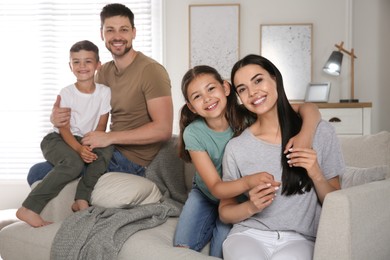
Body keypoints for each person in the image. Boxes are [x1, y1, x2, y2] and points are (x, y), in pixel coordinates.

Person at [173, 65, 322, 257]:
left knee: (221, 250)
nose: (207, 98)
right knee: (182, 247)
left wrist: (305, 135)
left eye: (211, 89)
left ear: (226, 88)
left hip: (236, 200)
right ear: (191, 107)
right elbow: (217, 188)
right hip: (206, 192)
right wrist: (250, 181)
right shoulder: (193, 132)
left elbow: (308, 108)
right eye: (197, 96)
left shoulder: (249, 115)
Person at [26, 3, 173, 185]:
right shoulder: (104, 72)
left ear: (133, 33)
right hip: (107, 149)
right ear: (102, 34)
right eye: (110, 30)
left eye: (124, 30)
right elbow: (84, 104)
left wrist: (109, 137)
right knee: (39, 169)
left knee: (38, 173)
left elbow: (163, 130)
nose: (117, 36)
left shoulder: (151, 71)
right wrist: (56, 117)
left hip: (130, 161)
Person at [219, 54, 345, 260]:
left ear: (275, 79)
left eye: (258, 80)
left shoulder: (320, 132)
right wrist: (251, 206)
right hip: (248, 235)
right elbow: (225, 211)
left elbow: (336, 203)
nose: (252, 92)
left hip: (301, 239)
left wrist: (316, 174)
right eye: (242, 89)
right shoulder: (236, 147)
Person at [16, 40, 114, 227]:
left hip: (86, 138)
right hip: (59, 139)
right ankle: (28, 208)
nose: (82, 66)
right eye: (76, 62)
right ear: (70, 66)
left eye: (87, 61)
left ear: (98, 65)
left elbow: (102, 125)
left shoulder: (104, 92)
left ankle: (81, 199)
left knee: (107, 150)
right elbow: (63, 128)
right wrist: (79, 149)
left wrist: (90, 146)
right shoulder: (67, 93)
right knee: (73, 163)